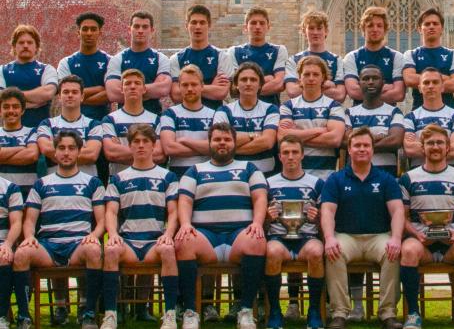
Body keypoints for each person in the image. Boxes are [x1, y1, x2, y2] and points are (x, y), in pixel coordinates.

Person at [175, 123, 267, 329]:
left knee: (257, 240)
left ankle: (245, 311)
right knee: (183, 242)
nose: (222, 143)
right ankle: (191, 311)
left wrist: (257, 223)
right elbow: (185, 200)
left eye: (227, 139)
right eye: (217, 139)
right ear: (209, 143)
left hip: (239, 235)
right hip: (206, 236)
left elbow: (260, 198)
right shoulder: (194, 171)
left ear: (235, 143)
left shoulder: (250, 169)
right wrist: (186, 224)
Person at [13, 131, 105, 329]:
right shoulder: (41, 184)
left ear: (79, 152)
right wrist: (29, 237)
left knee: (94, 250)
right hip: (49, 245)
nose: (66, 152)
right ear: (55, 153)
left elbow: (102, 220)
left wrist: (94, 236)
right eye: (61, 148)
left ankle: (88, 313)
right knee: (21, 254)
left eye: (71, 148)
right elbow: (29, 220)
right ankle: (23, 316)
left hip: (78, 243)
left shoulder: (93, 183)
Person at [321, 127, 404, 329]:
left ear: (372, 150)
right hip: (347, 237)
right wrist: (330, 238)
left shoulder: (385, 179)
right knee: (334, 251)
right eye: (357, 145)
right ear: (349, 149)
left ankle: (387, 313)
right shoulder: (335, 179)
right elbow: (327, 212)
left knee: (392, 252)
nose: (362, 149)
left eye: (366, 145)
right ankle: (339, 313)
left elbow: (398, 211)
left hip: (379, 237)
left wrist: (396, 238)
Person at [101, 124, 179, 329]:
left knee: (169, 250)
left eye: (146, 141)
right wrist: (112, 234)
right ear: (130, 146)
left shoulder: (168, 177)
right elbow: (110, 211)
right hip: (127, 241)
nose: (141, 145)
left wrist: (168, 234)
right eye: (136, 141)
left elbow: (173, 212)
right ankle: (110, 314)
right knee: (110, 250)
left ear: (154, 146)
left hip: (154, 240)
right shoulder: (118, 179)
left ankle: (169, 314)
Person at [398, 125, 454, 329]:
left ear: (448, 147)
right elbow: (402, 217)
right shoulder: (408, 179)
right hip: (422, 243)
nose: (435, 147)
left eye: (440, 142)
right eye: (430, 143)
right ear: (422, 148)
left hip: (452, 243)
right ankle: (414, 313)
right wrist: (417, 235)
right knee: (407, 250)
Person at [264, 136, 325, 329]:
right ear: (279, 156)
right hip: (278, 237)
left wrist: (317, 218)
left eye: (295, 152)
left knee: (316, 252)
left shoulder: (316, 183)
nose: (291, 157)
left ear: (302, 155)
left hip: (307, 237)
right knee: (272, 252)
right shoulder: (268, 183)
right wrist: (268, 217)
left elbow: (326, 220)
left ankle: (313, 310)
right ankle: (275, 310)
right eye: (286, 153)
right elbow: (259, 222)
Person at [279, 56, 346, 179]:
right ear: (299, 78)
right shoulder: (287, 106)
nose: (311, 78)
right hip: (295, 176)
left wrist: (297, 134)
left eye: (315, 74)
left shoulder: (334, 106)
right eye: (306, 74)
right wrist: (319, 130)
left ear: (323, 78)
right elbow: (283, 137)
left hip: (325, 175)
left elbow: (335, 139)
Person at [214, 62, 279, 175]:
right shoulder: (224, 111)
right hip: (233, 174)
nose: (248, 83)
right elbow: (221, 141)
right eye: (244, 79)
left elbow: (267, 142)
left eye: (253, 80)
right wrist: (253, 135)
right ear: (236, 84)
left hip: (265, 174)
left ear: (260, 84)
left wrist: (229, 150)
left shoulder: (271, 109)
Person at [105, 10, 171, 115]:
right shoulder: (117, 59)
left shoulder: (160, 58)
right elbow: (113, 93)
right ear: (129, 29)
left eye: (145, 27)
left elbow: (163, 89)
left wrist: (129, 91)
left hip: (153, 119)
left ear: (152, 30)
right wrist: (149, 90)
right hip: (123, 121)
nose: (140, 31)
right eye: (136, 26)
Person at [344, 65, 405, 177]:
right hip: (354, 177)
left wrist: (359, 146)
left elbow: (395, 141)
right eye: (366, 79)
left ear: (383, 83)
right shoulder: (349, 113)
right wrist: (382, 137)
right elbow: (345, 141)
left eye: (375, 78)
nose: (370, 82)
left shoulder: (394, 112)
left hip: (386, 175)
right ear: (359, 83)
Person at [37, 75, 102, 177]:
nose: (70, 95)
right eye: (66, 92)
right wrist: (82, 151)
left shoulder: (94, 125)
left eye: (75, 92)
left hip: (87, 184)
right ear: (59, 97)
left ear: (82, 97)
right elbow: (46, 149)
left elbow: (91, 155)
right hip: (54, 185)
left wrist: (57, 153)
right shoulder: (47, 124)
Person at [102, 69, 162, 177]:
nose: (133, 87)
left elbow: (160, 155)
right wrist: (146, 153)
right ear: (122, 89)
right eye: (128, 83)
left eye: (137, 83)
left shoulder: (155, 120)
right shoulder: (110, 119)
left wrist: (121, 149)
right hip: (120, 180)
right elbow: (111, 153)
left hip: (148, 179)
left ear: (144, 89)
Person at [170, 5, 232, 109]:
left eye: (202, 22)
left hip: (214, 117)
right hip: (184, 119)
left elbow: (221, 92)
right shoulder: (176, 58)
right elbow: (176, 95)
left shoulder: (221, 56)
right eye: (194, 22)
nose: (198, 27)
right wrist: (211, 87)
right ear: (187, 25)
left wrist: (187, 89)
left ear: (209, 25)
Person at [159, 65, 215, 178]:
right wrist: (205, 148)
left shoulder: (215, 114)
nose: (189, 89)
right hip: (179, 175)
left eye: (194, 84)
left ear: (202, 86)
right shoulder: (170, 114)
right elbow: (169, 148)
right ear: (179, 87)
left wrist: (185, 141)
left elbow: (216, 147)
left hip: (208, 175)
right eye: (185, 85)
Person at [402, 8, 454, 110]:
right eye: (427, 24)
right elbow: (409, 79)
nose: (431, 26)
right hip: (419, 112)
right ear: (419, 29)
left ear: (442, 28)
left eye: (435, 23)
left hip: (449, 112)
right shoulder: (411, 54)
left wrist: (422, 79)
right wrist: (445, 78)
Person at [403, 68, 454, 168]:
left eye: (435, 82)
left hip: (449, 176)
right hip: (419, 176)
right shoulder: (410, 118)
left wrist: (420, 144)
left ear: (443, 87)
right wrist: (445, 145)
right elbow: (409, 150)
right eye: (426, 83)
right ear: (419, 88)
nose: (431, 86)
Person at [343, 7, 405, 105]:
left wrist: (365, 90)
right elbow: (353, 91)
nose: (375, 29)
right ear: (363, 29)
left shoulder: (397, 57)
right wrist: (385, 88)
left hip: (389, 115)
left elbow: (399, 94)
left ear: (385, 30)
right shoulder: (352, 57)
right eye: (370, 25)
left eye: (379, 26)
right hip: (360, 116)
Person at [227, 7, 288, 105]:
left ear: (268, 26)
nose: (258, 27)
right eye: (253, 23)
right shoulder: (234, 52)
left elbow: (279, 84)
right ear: (245, 27)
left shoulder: (279, 50)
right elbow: (233, 89)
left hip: (271, 111)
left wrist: (246, 89)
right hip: (241, 112)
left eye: (262, 23)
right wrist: (266, 79)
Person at [57, 12, 112, 121]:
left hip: (101, 122)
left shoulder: (110, 61)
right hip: (72, 123)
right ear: (78, 32)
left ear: (100, 33)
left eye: (93, 29)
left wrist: (77, 99)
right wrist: (98, 88)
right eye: (85, 29)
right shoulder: (66, 63)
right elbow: (66, 92)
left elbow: (110, 94)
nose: (89, 33)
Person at [0, 25, 58, 127]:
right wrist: (35, 102)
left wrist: (12, 101)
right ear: (14, 46)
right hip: (10, 133)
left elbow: (48, 93)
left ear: (37, 47)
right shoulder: (2, 70)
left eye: (30, 42)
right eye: (21, 43)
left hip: (40, 132)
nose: (25, 46)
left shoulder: (47, 69)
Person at [285, 10, 346, 102]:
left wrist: (304, 85)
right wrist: (327, 84)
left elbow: (340, 95)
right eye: (311, 28)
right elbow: (292, 92)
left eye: (319, 28)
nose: (315, 32)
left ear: (326, 31)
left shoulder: (337, 60)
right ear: (304, 32)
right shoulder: (293, 60)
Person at [0, 88, 39, 199]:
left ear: (22, 110)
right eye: (6, 107)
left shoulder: (32, 132)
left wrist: (3, 154)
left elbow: (31, 156)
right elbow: (26, 153)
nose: (11, 110)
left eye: (15, 107)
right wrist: (21, 148)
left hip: (27, 193)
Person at [0, 165, 22, 329]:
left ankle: (1, 317)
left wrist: (7, 244)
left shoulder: (10, 188)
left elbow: (16, 223)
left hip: (2, 243)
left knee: (3, 256)